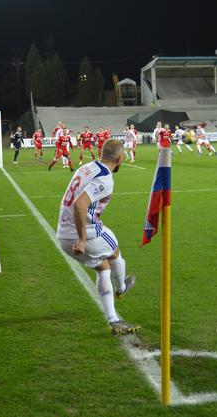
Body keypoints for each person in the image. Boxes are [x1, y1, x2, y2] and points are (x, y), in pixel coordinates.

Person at [56, 138, 139, 335]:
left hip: (63, 234)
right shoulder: (105, 178)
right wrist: (83, 239)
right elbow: (79, 204)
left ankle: (113, 319)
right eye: (123, 156)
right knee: (115, 252)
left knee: (103, 267)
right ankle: (121, 288)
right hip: (84, 235)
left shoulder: (87, 167)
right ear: (118, 158)